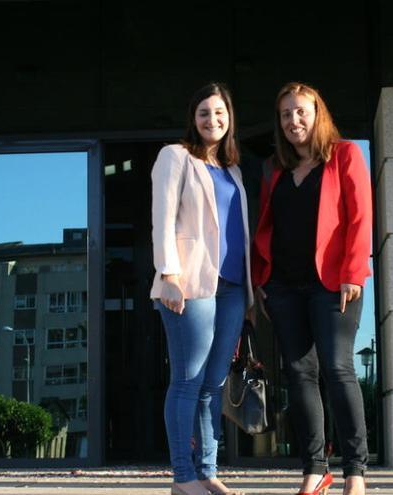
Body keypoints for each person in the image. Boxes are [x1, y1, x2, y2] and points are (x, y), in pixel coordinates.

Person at [252, 82, 372, 495]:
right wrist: (260, 281)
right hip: (283, 286)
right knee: (300, 375)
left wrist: (353, 271)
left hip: (334, 283)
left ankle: (355, 472)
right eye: (286, 114)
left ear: (317, 114)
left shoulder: (344, 155)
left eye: (301, 111)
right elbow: (264, 229)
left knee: (338, 370)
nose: (293, 120)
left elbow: (360, 217)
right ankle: (315, 468)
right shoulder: (275, 170)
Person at [151, 82, 253, 495]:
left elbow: (236, 233)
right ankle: (182, 477)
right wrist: (168, 274)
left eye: (220, 113)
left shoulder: (233, 171)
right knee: (187, 380)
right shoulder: (175, 157)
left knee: (213, 385)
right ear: (193, 119)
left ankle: (207, 471)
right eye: (204, 113)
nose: (213, 120)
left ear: (230, 119)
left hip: (231, 288)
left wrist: (248, 293)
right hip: (189, 284)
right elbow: (162, 217)